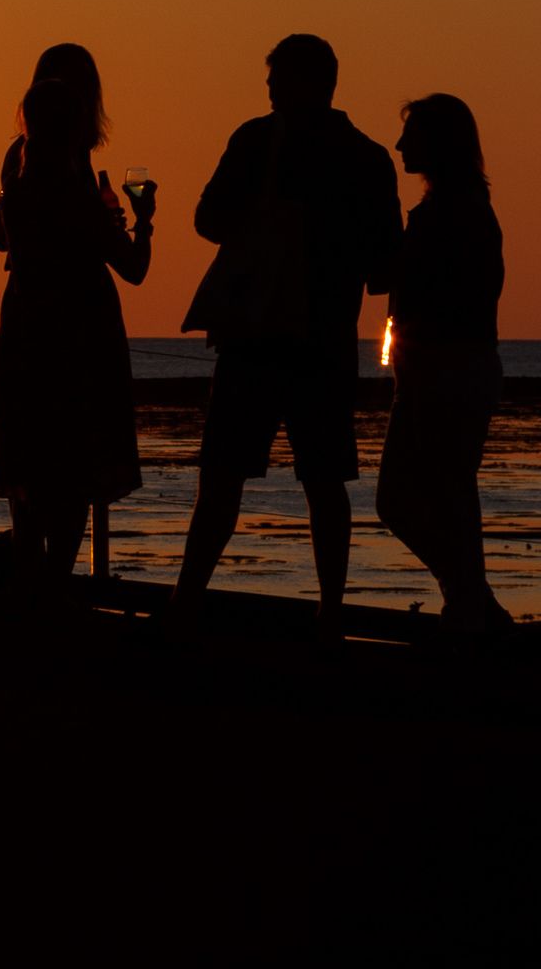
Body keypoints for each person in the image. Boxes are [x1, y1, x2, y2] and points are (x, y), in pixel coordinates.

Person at [171, 33, 403, 626]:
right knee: (325, 484)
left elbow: (207, 219)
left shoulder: (254, 141)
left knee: (222, 479)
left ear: (301, 83)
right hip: (325, 339)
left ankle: (186, 604)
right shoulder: (368, 158)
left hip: (254, 335)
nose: (268, 90)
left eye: (275, 79)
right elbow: (384, 266)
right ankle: (330, 615)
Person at [0, 44, 153, 594]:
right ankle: (56, 580)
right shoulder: (73, 176)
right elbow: (131, 267)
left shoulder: (18, 168)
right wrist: (143, 221)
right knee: (76, 455)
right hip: (81, 322)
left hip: (26, 318)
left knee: (29, 450)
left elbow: (0, 238)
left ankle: (29, 572)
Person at [375, 93, 508, 629]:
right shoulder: (464, 207)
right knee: (452, 497)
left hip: (442, 374)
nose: (402, 144)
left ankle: (470, 597)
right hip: (454, 370)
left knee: (400, 500)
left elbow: (427, 290)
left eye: (412, 135)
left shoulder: (452, 213)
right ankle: (472, 606)